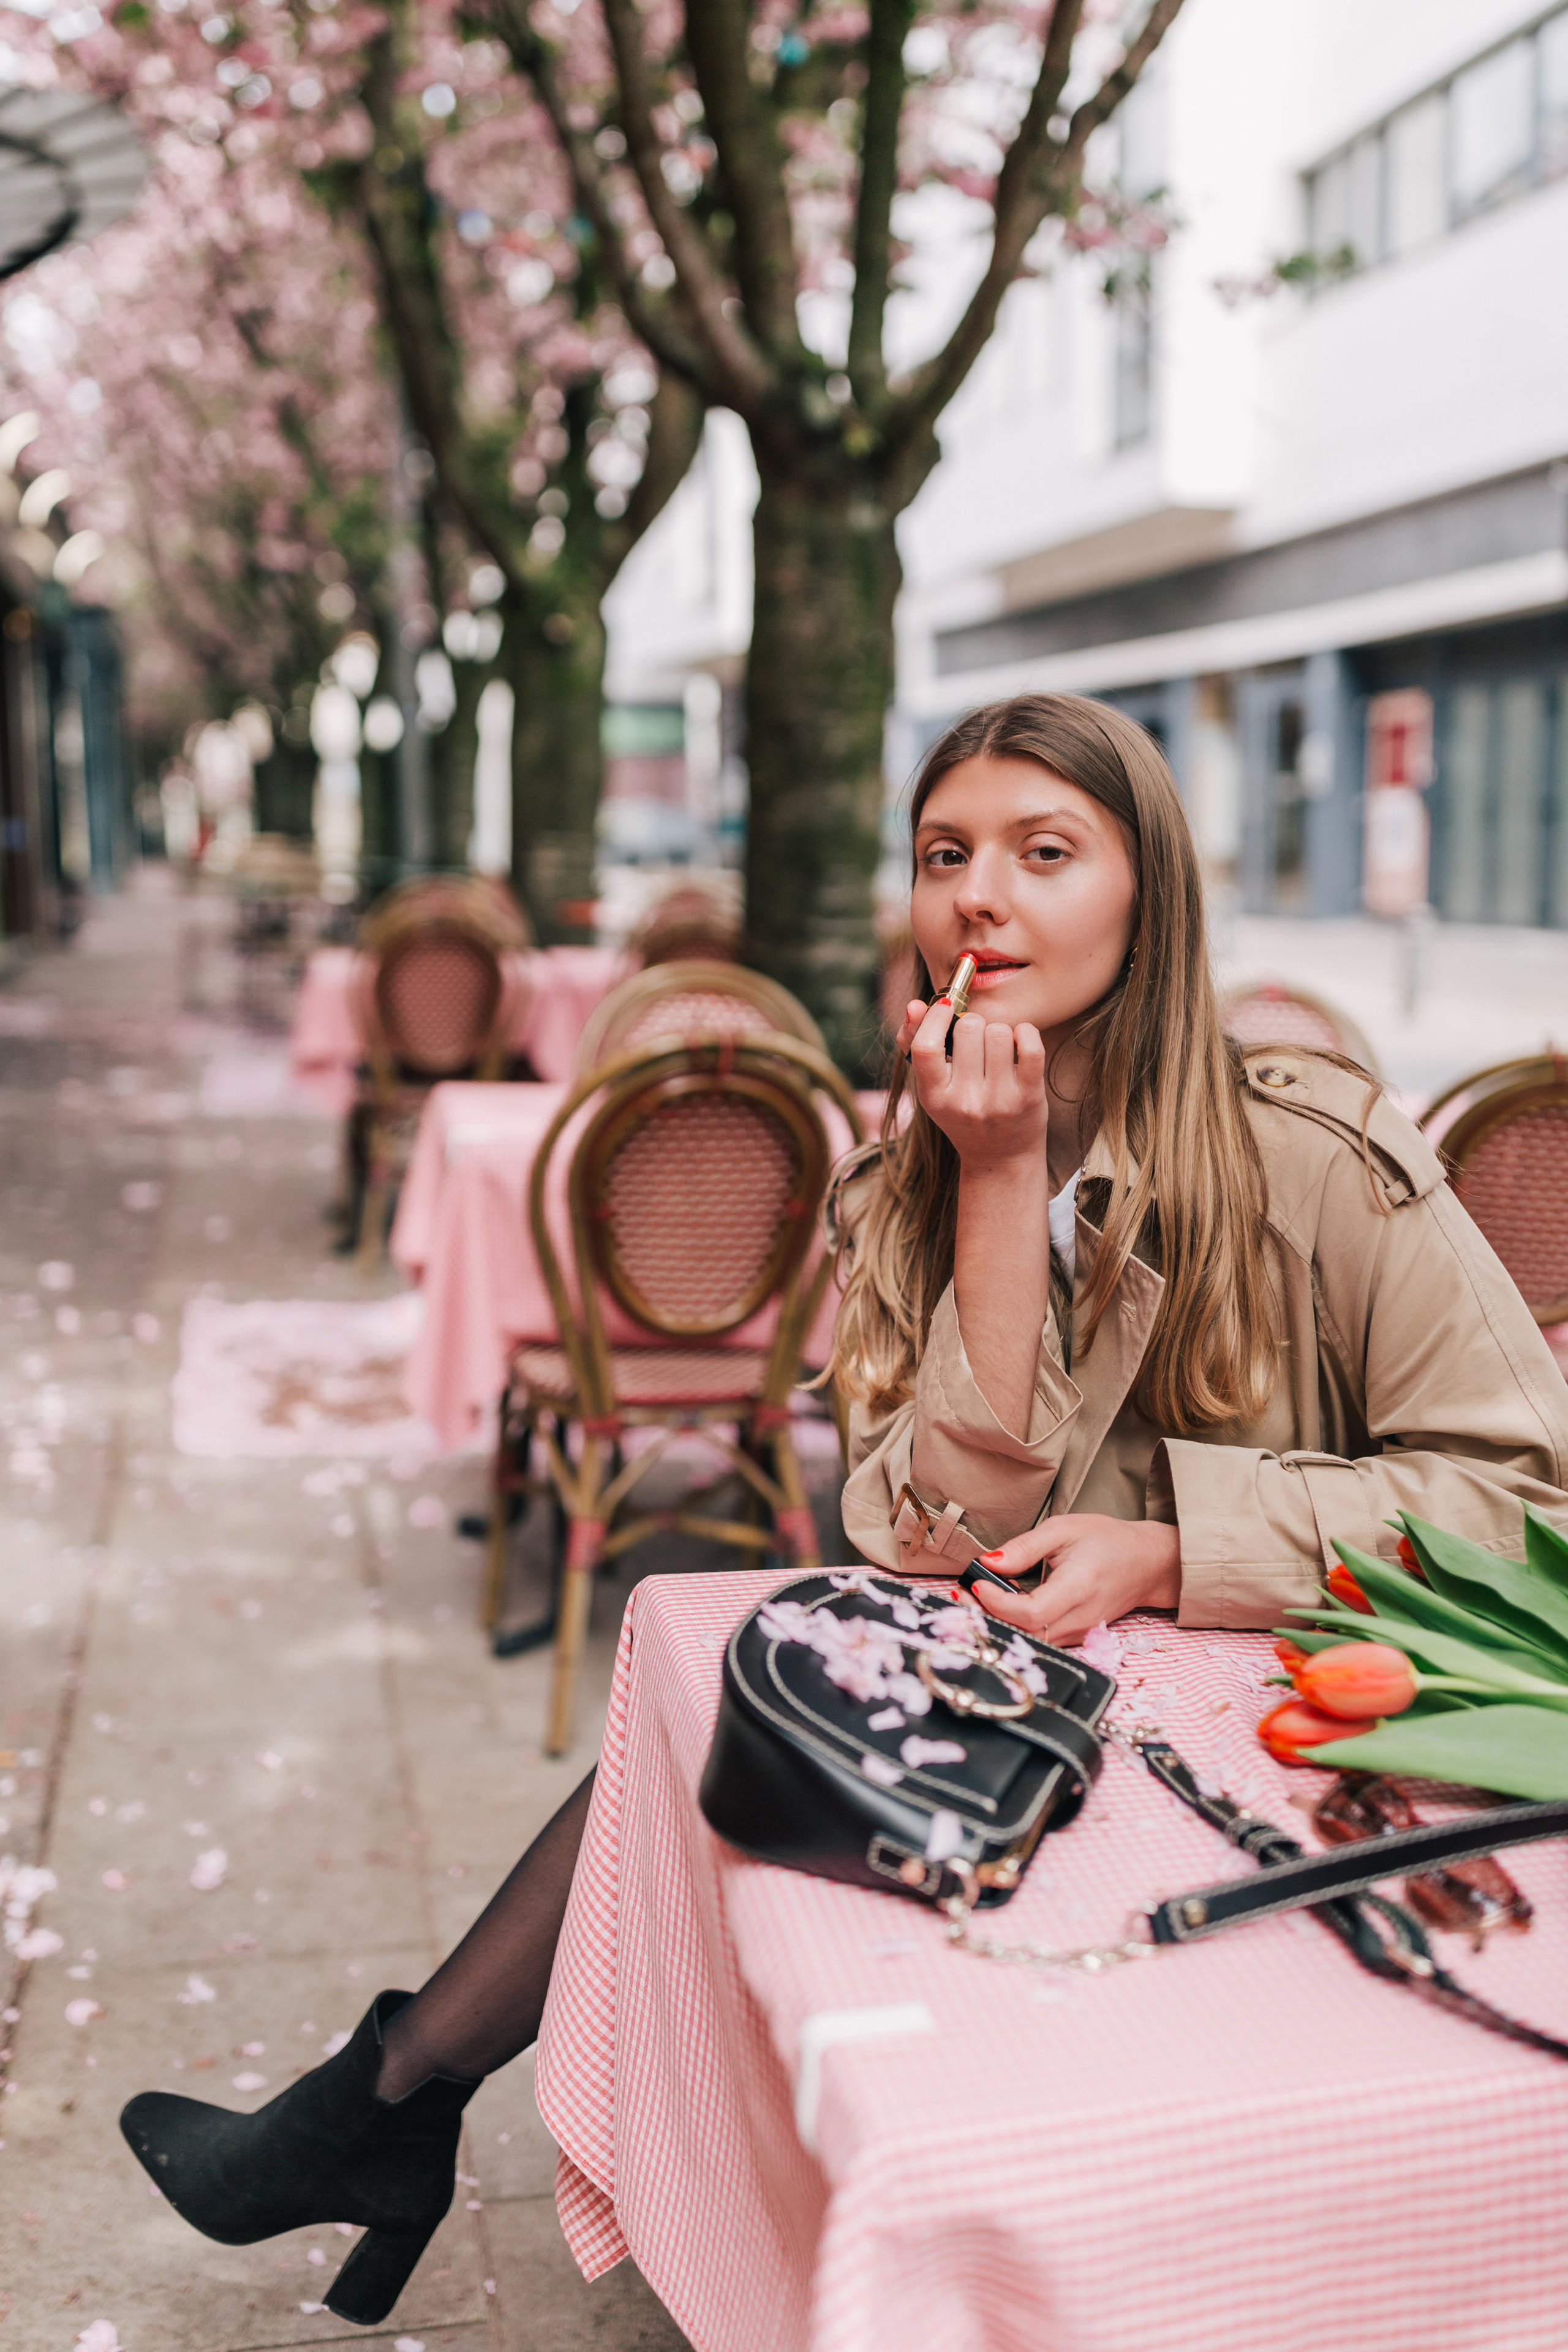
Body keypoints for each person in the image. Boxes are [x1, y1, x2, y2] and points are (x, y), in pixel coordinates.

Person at [119, 693, 1568, 2324]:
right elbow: (915, 1538)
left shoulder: (1314, 1153)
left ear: (1146, 893)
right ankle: (400, 2105)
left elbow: (1520, 1499)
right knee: (701, 1721)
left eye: (1045, 851)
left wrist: (1175, 1545)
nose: (981, 897)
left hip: (1296, 1740)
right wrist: (1000, 1183)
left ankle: (382, 2108)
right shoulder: (908, 1177)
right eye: (947, 852)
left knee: (692, 1745)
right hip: (1056, 1733)